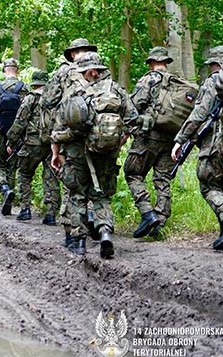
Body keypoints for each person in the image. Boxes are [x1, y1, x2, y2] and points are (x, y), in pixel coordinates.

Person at [51, 52, 137, 258]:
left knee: (77, 196)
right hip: (106, 153)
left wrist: (56, 153)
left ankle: (79, 242)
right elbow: (132, 120)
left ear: (86, 71)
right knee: (101, 196)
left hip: (76, 153)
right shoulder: (116, 89)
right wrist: (117, 142)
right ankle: (105, 232)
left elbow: (58, 127)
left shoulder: (73, 93)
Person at [42, 38, 99, 247]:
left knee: (72, 185)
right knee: (97, 181)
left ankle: (72, 234)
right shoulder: (101, 70)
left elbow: (46, 101)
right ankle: (94, 217)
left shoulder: (62, 73)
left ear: (73, 54)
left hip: (70, 135)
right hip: (100, 136)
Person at [172, 45, 223, 251]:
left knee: (208, 185)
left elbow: (199, 114)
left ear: (214, 64)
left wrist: (180, 139)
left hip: (215, 142)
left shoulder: (213, 82)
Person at [124, 47, 178, 239]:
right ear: (166, 62)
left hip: (148, 136)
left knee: (132, 173)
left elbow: (133, 107)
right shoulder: (176, 82)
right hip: (171, 137)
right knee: (162, 178)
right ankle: (160, 222)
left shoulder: (148, 79)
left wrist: (126, 130)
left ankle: (147, 213)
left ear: (151, 62)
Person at [6, 70, 60, 224]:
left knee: (24, 174)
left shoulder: (30, 98)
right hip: (52, 143)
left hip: (32, 144)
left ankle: (25, 209)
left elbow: (20, 122)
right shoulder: (55, 99)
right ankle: (50, 214)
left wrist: (11, 141)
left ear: (34, 84)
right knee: (51, 178)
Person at [0, 58, 28, 215]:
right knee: (12, 165)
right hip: (19, 134)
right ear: (18, 70)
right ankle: (9, 196)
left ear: (4, 70)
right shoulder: (24, 88)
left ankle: (4, 189)